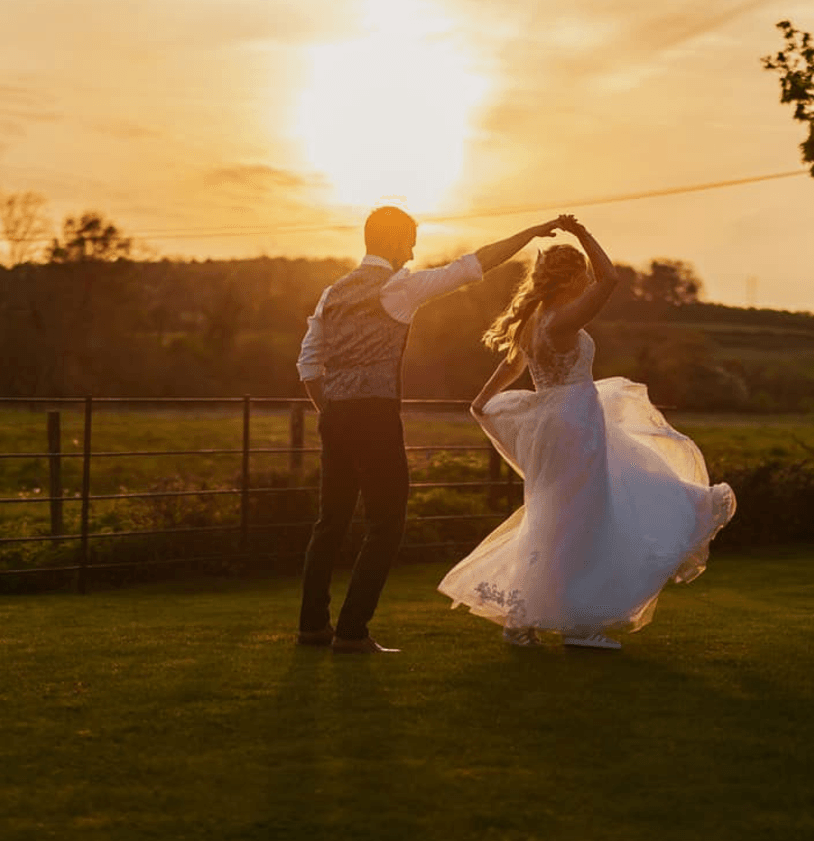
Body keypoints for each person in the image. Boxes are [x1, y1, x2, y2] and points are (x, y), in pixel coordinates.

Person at [438, 215, 736, 649]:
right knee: (583, 519)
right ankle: (578, 625)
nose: (586, 280)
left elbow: (511, 365)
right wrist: (580, 232)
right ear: (572, 277)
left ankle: (525, 621)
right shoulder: (562, 319)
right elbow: (610, 278)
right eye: (581, 273)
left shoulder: (535, 320)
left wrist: (480, 400)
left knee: (557, 517)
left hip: (553, 423)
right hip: (574, 422)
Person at [297, 205, 563, 653]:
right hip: (374, 414)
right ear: (396, 240)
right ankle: (352, 632)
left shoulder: (332, 293)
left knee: (331, 523)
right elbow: (474, 265)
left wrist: (331, 410)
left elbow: (307, 363)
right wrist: (533, 233)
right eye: (412, 239)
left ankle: (312, 628)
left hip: (334, 415)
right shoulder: (398, 289)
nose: (415, 249)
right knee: (387, 522)